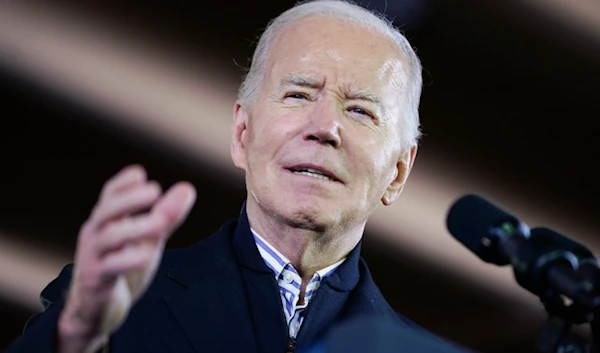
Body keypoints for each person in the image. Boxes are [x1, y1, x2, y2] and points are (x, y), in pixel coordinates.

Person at [5, 1, 466, 352]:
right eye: (298, 94)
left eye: (361, 109)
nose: (325, 127)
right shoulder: (105, 307)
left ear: (398, 173)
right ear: (242, 133)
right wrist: (76, 333)